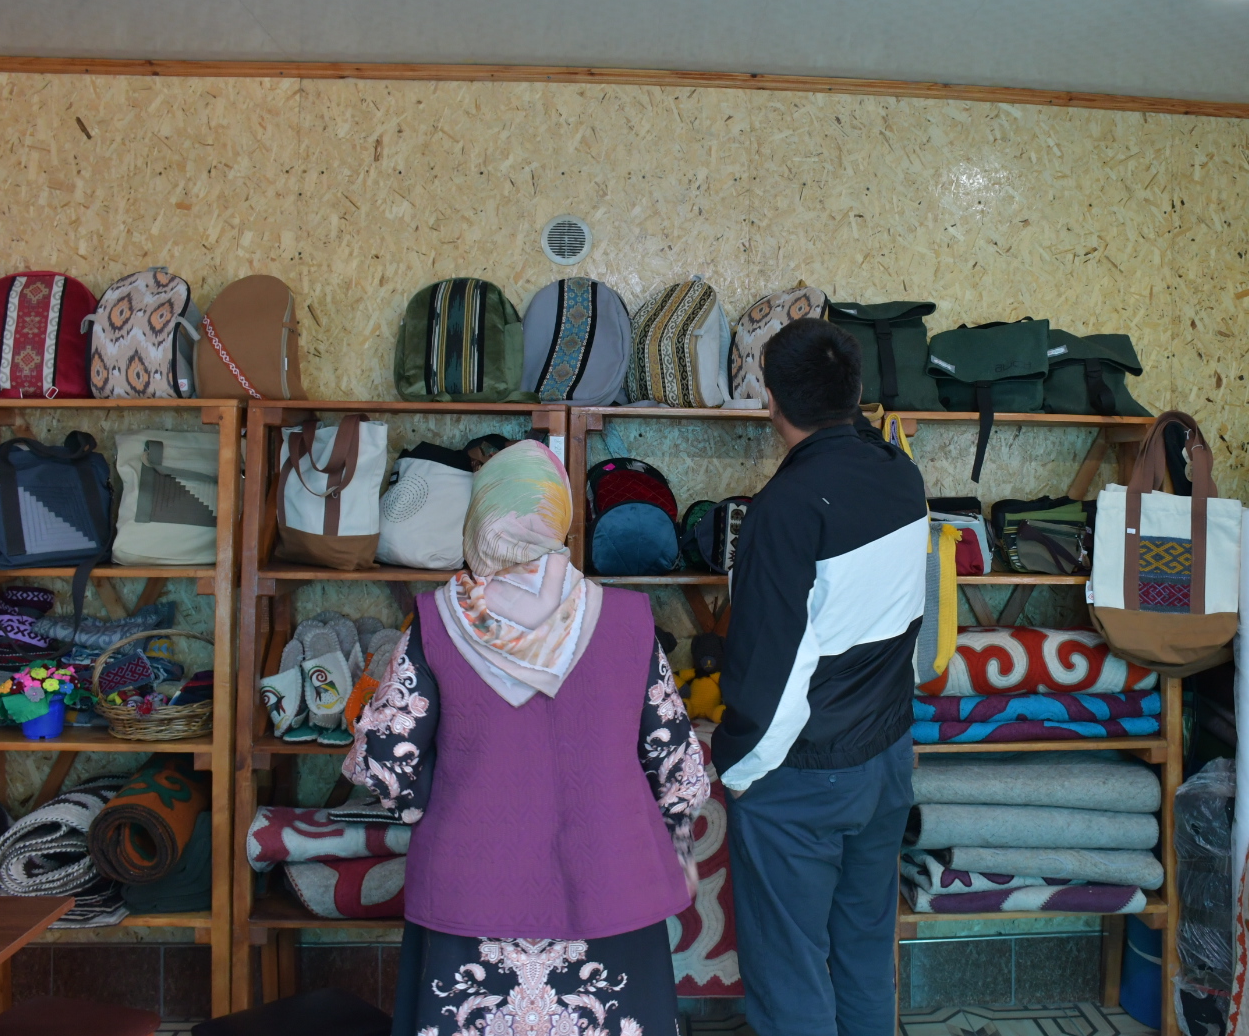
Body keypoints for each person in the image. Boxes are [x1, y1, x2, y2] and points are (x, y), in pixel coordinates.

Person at [344, 440, 708, 1036]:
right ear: (557, 516)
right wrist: (669, 840)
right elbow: (677, 769)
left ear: (481, 517)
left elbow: (387, 763)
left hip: (471, 888)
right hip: (611, 887)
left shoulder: (437, 622)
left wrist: (441, 810)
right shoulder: (628, 619)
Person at [715, 318, 928, 1036]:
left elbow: (767, 671)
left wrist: (739, 769)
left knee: (792, 973)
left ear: (771, 400)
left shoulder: (784, 510)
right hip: (887, 756)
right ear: (855, 391)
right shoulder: (902, 473)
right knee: (865, 952)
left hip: (803, 776)